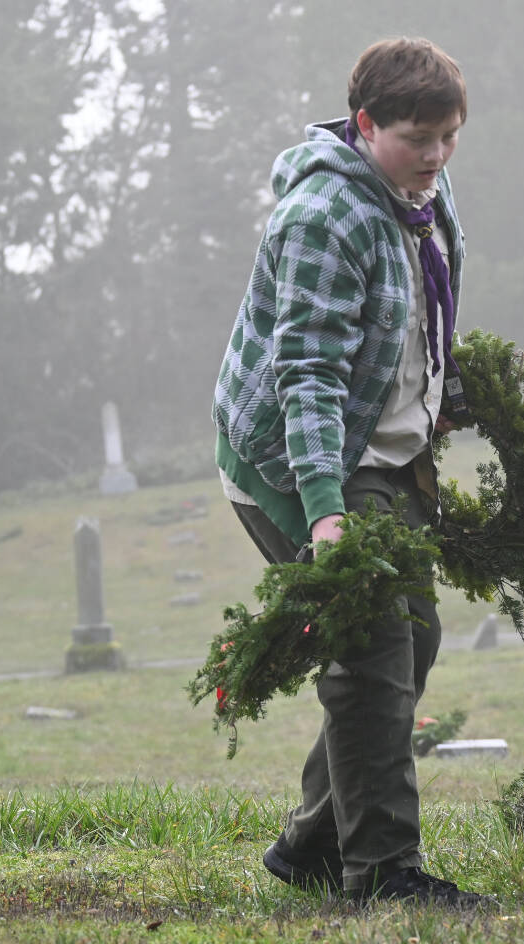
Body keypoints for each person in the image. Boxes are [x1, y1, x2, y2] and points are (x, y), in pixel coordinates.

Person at [211, 37, 483, 908]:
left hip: (382, 447)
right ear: (366, 124)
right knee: (371, 650)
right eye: (417, 137)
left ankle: (308, 846)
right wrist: (326, 514)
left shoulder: (420, 195)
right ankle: (384, 875)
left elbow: (418, 319)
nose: (436, 155)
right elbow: (310, 374)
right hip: (302, 460)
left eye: (449, 136)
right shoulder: (325, 217)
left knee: (418, 640)